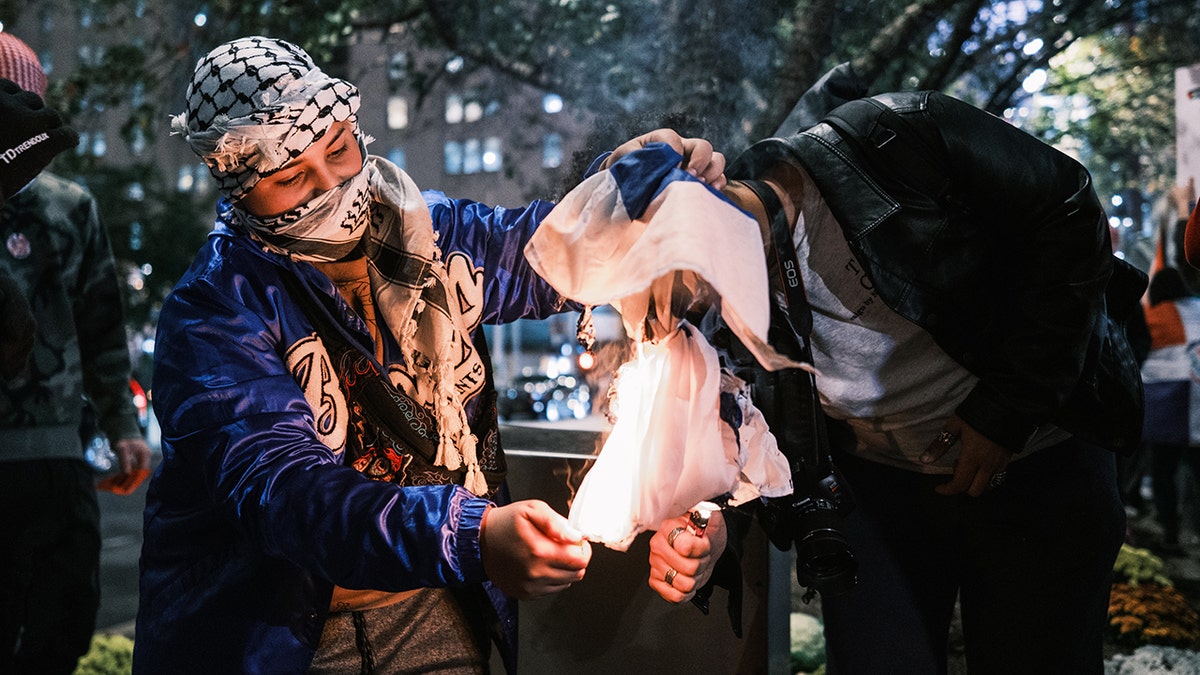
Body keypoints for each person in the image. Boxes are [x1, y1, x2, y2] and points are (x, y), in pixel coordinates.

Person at [134, 35, 725, 673]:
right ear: (239, 186)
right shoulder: (215, 309)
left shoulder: (432, 234)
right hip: (272, 635)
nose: (333, 188)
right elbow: (285, 491)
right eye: (290, 178)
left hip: (431, 613)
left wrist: (638, 187)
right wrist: (468, 534)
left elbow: (544, 253)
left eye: (339, 150)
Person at [639, 63, 1145, 672]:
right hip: (878, 495)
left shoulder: (896, 137)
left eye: (675, 281)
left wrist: (1007, 407)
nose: (685, 311)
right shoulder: (704, 312)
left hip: (1041, 457)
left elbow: (1068, 209)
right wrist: (708, 529)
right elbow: (742, 444)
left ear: (704, 206)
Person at [0, 32, 152, 675]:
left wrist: (121, 425)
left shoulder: (69, 206)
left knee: (64, 620)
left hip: (58, 455)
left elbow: (100, 324)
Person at [1141, 266, 1200, 555]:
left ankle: (1172, 536)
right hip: (1197, 405)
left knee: (1163, 472)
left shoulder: (1153, 315)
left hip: (1169, 405)